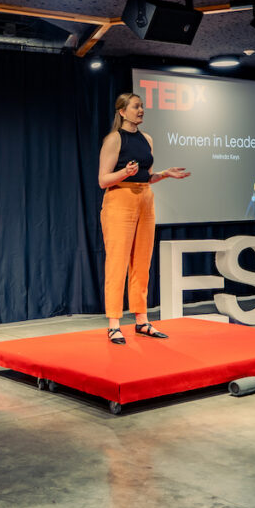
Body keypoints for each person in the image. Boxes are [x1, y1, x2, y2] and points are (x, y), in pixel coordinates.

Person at [98, 92, 190, 345]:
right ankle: (114, 323)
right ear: (122, 111)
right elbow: (103, 180)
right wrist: (123, 173)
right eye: (136, 106)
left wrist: (163, 174)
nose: (141, 110)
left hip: (145, 199)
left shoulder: (147, 139)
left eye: (142, 106)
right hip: (119, 200)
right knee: (117, 262)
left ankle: (142, 320)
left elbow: (145, 176)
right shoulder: (114, 139)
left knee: (142, 261)